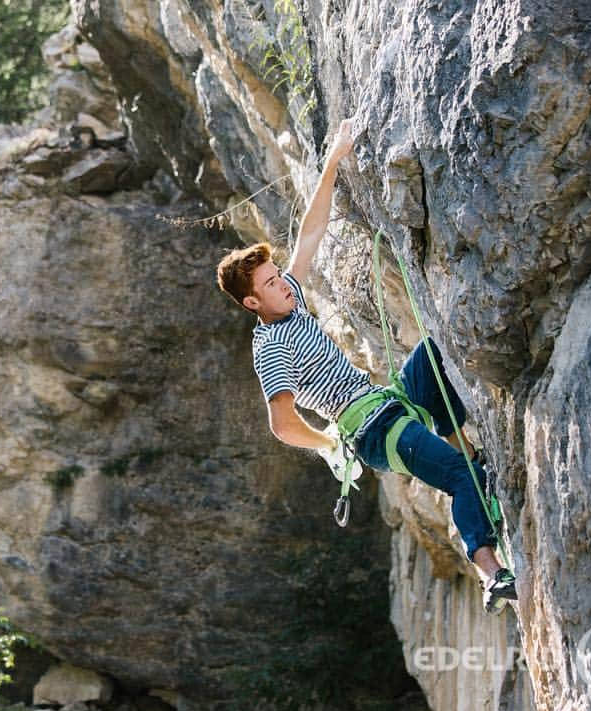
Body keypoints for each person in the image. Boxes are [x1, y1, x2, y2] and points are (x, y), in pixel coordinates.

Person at [215, 118, 517, 614]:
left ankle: (458, 441)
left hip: (388, 402)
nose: (284, 284)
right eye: (270, 284)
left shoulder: (291, 301)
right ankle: (491, 574)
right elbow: (282, 423)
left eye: (277, 275)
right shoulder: (270, 347)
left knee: (436, 353)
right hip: (374, 431)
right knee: (465, 478)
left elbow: (311, 230)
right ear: (252, 304)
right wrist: (329, 444)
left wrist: (334, 157)